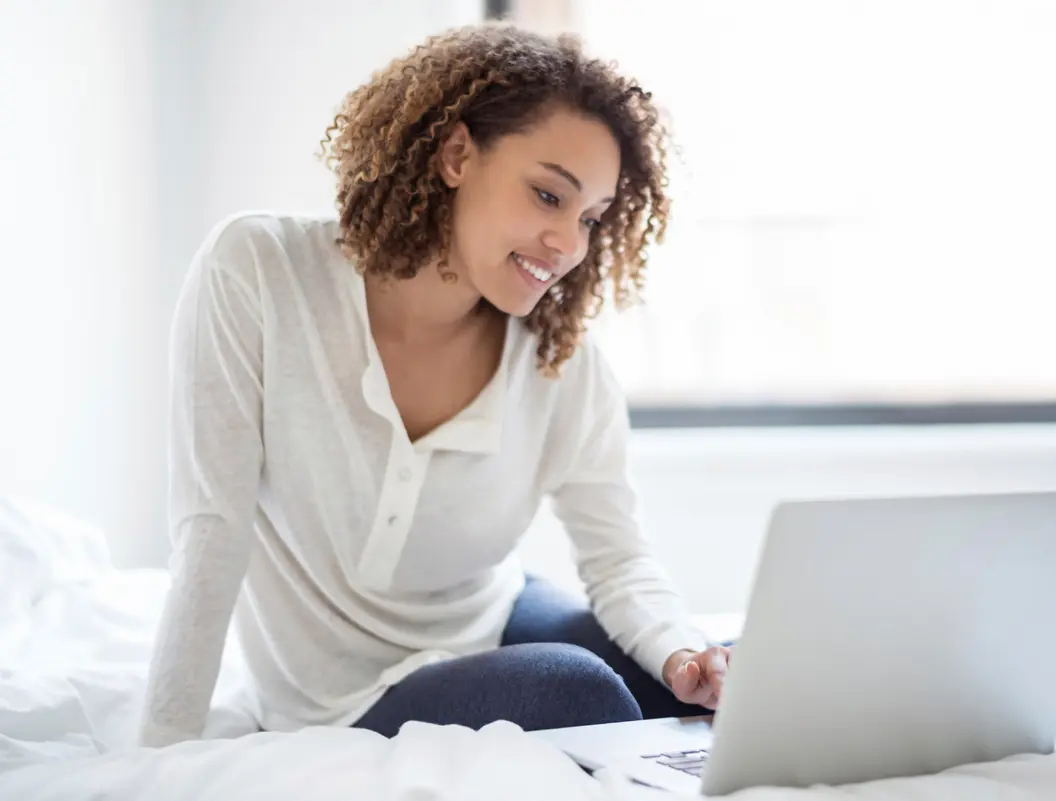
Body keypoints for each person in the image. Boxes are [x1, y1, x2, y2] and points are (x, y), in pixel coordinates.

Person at [136, 21, 733, 749]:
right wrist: (161, 754)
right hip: (341, 693)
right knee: (577, 690)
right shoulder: (258, 272)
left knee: (709, 681)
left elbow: (618, 556)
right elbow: (212, 530)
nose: (570, 245)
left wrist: (681, 651)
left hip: (489, 618)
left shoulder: (561, 362)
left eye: (590, 218)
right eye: (548, 196)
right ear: (456, 155)